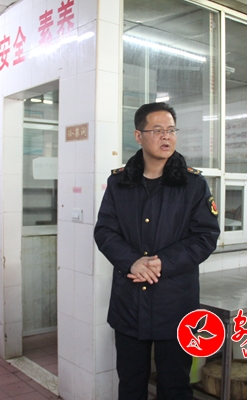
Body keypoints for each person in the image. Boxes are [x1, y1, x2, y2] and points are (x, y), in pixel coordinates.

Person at [94, 102, 220, 399]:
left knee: (175, 387)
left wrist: (162, 263)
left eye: (172, 130)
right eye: (158, 130)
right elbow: (104, 231)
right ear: (138, 136)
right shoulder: (119, 182)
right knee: (130, 385)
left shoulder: (193, 184)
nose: (167, 136)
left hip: (174, 305)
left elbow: (206, 236)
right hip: (129, 304)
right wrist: (132, 262)